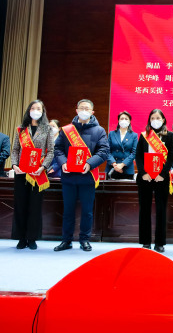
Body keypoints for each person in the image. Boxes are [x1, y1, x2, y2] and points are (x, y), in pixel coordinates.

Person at [53, 99, 109, 252]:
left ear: (92, 112)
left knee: (87, 211)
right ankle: (66, 240)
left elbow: (103, 151)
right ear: (76, 110)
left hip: (87, 176)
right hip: (69, 176)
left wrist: (89, 164)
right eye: (81, 108)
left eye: (87, 108)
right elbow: (58, 149)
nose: (84, 111)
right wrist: (63, 162)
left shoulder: (99, 131)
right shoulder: (66, 130)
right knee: (68, 210)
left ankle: (84, 240)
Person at [9, 100, 54, 250]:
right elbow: (15, 150)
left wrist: (43, 167)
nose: (35, 110)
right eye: (33, 108)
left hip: (38, 173)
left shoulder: (47, 129)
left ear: (43, 111)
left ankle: (32, 238)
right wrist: (14, 165)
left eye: (38, 108)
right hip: (21, 172)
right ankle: (21, 238)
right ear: (29, 111)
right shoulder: (21, 129)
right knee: (20, 205)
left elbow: (51, 151)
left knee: (35, 206)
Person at [135, 109, 173, 252]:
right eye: (152, 118)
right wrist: (143, 173)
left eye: (158, 118)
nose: (155, 120)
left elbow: (171, 157)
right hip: (145, 178)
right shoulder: (144, 135)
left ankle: (160, 243)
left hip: (161, 178)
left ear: (163, 120)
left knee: (161, 210)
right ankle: (145, 242)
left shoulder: (169, 136)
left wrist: (163, 174)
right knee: (144, 210)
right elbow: (138, 156)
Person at [107, 111, 138, 180]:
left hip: (127, 169)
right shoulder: (111, 134)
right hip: (112, 168)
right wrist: (114, 164)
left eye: (126, 119)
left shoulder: (134, 135)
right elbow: (107, 150)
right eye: (122, 118)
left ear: (129, 121)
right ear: (118, 121)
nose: (124, 120)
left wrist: (122, 164)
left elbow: (134, 153)